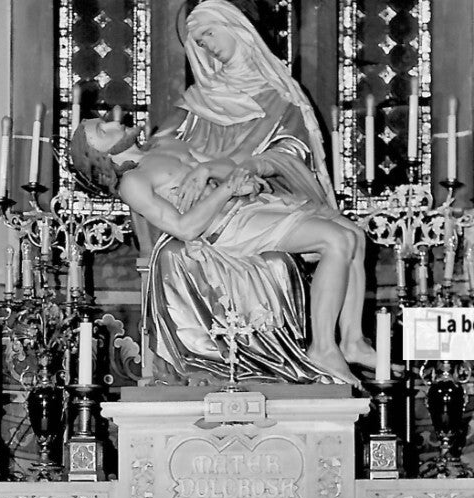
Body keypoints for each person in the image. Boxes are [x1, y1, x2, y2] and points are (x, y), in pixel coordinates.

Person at [70, 111, 371, 388]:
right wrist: (227, 189)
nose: (113, 122)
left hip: (248, 207)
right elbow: (185, 228)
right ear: (98, 155)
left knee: (354, 235)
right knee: (337, 240)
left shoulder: (166, 145)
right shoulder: (133, 182)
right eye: (102, 128)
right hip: (227, 228)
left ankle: (353, 340)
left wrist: (208, 171)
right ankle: (323, 349)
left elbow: (227, 165)